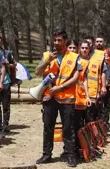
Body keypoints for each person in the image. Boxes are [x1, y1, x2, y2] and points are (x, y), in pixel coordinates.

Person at [35, 29, 82, 167]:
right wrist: (47, 61)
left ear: (65, 41)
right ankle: (46, 155)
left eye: (59, 40)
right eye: (54, 40)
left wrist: (60, 88)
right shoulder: (47, 55)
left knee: (68, 128)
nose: (56, 43)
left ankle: (70, 155)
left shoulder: (74, 56)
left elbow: (76, 77)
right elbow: (37, 72)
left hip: (67, 98)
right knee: (48, 127)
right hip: (49, 97)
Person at [82, 35, 108, 123]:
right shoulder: (80, 55)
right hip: (80, 91)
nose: (87, 45)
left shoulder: (100, 55)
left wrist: (104, 86)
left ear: (93, 44)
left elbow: (103, 71)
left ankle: (95, 134)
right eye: (86, 42)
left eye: (90, 43)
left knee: (93, 115)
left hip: (94, 91)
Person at [0, 35, 16, 134]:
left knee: (6, 105)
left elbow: (14, 65)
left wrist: (8, 64)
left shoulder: (7, 53)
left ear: (2, 43)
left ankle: (5, 125)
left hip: (6, 81)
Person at [95, 33, 110, 130]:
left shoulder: (109, 52)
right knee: (97, 104)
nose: (99, 43)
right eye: (97, 41)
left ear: (104, 42)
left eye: (101, 41)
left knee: (106, 104)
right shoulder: (93, 52)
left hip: (108, 83)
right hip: (96, 84)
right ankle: (97, 123)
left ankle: (105, 124)